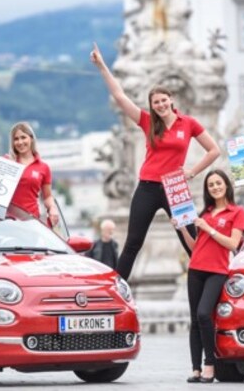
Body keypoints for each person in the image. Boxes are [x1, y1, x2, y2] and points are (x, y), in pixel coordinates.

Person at [90, 43, 221, 280]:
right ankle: (116, 288)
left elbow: (214, 150)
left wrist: (192, 172)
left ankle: (211, 285)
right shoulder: (148, 122)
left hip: (176, 187)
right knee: (133, 243)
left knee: (192, 243)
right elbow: (120, 97)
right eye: (155, 102)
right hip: (148, 187)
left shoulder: (188, 123)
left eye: (163, 100)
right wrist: (102, 67)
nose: (160, 105)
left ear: (171, 100)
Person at [177, 169, 244, 383]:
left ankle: (210, 364)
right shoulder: (205, 213)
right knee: (195, 320)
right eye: (211, 185)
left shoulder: (237, 212)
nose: (215, 187)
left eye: (218, 183)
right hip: (196, 269)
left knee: (205, 314)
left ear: (226, 185)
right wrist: (183, 230)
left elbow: (233, 244)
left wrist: (209, 229)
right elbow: (197, 246)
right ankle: (196, 368)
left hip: (217, 271)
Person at [6, 122, 60, 226]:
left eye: (23, 137)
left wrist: (53, 208)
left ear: (31, 138)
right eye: (16, 139)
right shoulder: (7, 162)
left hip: (31, 222)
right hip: (8, 221)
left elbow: (47, 196)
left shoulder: (43, 168)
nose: (20, 142)